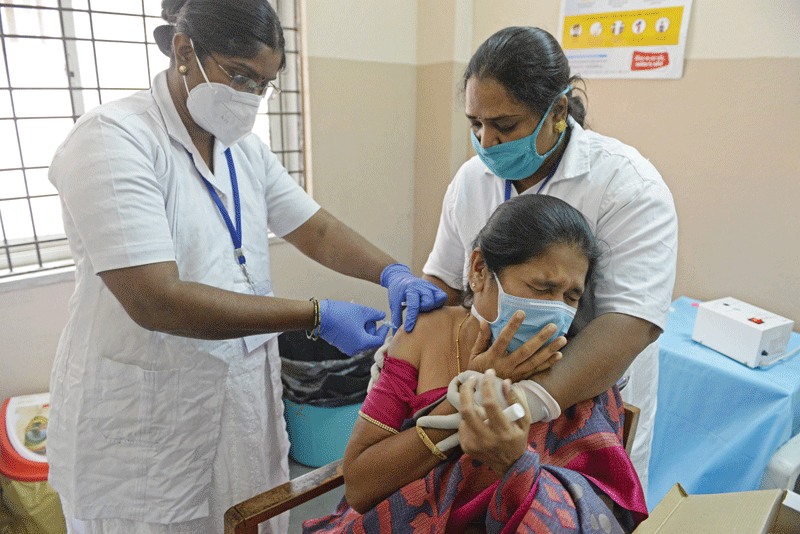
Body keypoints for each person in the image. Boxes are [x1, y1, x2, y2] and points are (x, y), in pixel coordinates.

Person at [45, 1, 445, 533]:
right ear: (185, 52)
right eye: (241, 76)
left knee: (248, 514)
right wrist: (315, 315)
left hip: (237, 405)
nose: (252, 97)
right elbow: (154, 297)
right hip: (145, 419)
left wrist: (395, 273)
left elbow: (316, 229)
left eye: (265, 83)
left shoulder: (242, 151)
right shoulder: (112, 140)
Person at [421, 26, 678, 494]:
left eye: (505, 126)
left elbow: (632, 321)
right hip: (480, 388)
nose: (487, 141)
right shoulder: (471, 180)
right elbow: (443, 279)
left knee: (571, 510)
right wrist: (407, 344)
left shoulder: (626, 186)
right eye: (475, 124)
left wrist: (527, 398)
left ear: (557, 111)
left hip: (584, 400)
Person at [305, 195, 649, 534]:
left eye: (571, 297)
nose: (556, 310)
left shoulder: (575, 372)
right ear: (479, 270)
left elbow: (592, 504)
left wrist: (517, 465)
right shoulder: (424, 333)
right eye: (542, 287)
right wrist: (475, 390)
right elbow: (361, 486)